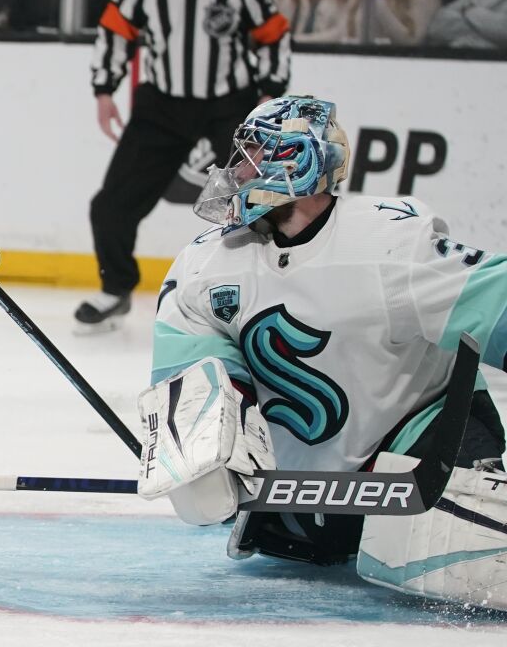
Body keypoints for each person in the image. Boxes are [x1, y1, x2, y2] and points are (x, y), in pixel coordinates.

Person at [139, 95, 507, 609]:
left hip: (418, 460)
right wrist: (199, 457)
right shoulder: (204, 265)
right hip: (297, 503)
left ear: (296, 164)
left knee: (473, 577)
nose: (234, 170)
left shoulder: (390, 242)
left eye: (252, 154)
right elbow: (189, 386)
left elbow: (496, 301)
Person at [80, 0, 290, 331]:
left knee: (257, 200)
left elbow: (275, 34)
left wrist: (269, 94)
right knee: (111, 206)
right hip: (163, 105)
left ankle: (273, 290)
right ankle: (114, 289)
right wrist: (105, 90)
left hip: (229, 106)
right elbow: (115, 31)